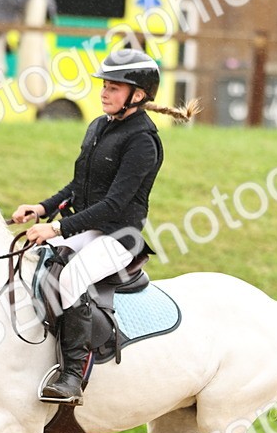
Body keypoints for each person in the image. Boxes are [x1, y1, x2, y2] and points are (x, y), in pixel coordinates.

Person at [11, 49, 198, 405]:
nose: (104, 93)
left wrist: (58, 229)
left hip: (119, 236)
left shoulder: (143, 141)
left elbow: (113, 204)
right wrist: (41, 208)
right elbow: (77, 186)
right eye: (105, 86)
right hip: (88, 228)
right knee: (32, 260)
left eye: (114, 88)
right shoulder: (99, 125)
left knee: (70, 279)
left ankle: (73, 375)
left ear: (138, 95)